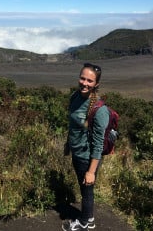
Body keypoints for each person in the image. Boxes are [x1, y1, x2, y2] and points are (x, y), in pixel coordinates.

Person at [62, 63, 109, 231]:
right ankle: (89, 218)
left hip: (87, 158)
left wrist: (91, 171)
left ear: (96, 84)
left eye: (90, 80)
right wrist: (69, 143)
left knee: (87, 191)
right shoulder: (75, 97)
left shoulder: (100, 110)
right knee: (84, 189)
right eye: (83, 78)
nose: (85, 83)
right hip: (77, 152)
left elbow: (98, 144)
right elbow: (73, 125)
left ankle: (84, 223)